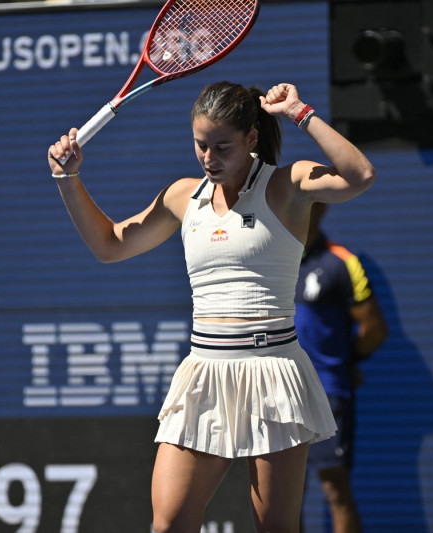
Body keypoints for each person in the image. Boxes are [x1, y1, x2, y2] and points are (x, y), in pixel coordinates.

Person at [47, 81, 375, 533]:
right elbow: (109, 246)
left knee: (277, 527)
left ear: (252, 138)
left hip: (272, 371)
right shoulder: (183, 196)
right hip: (204, 372)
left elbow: (360, 175)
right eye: (201, 145)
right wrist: (68, 179)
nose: (208, 157)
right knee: (169, 523)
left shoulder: (286, 184)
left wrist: (300, 112)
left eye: (222, 146)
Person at [295, 203, 388, 533]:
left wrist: (345, 364)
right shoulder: (269, 259)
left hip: (327, 393)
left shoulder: (343, 263)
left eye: (307, 203)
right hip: (277, 395)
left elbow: (374, 329)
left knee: (335, 489)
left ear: (321, 209)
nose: (297, 210)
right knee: (284, 495)